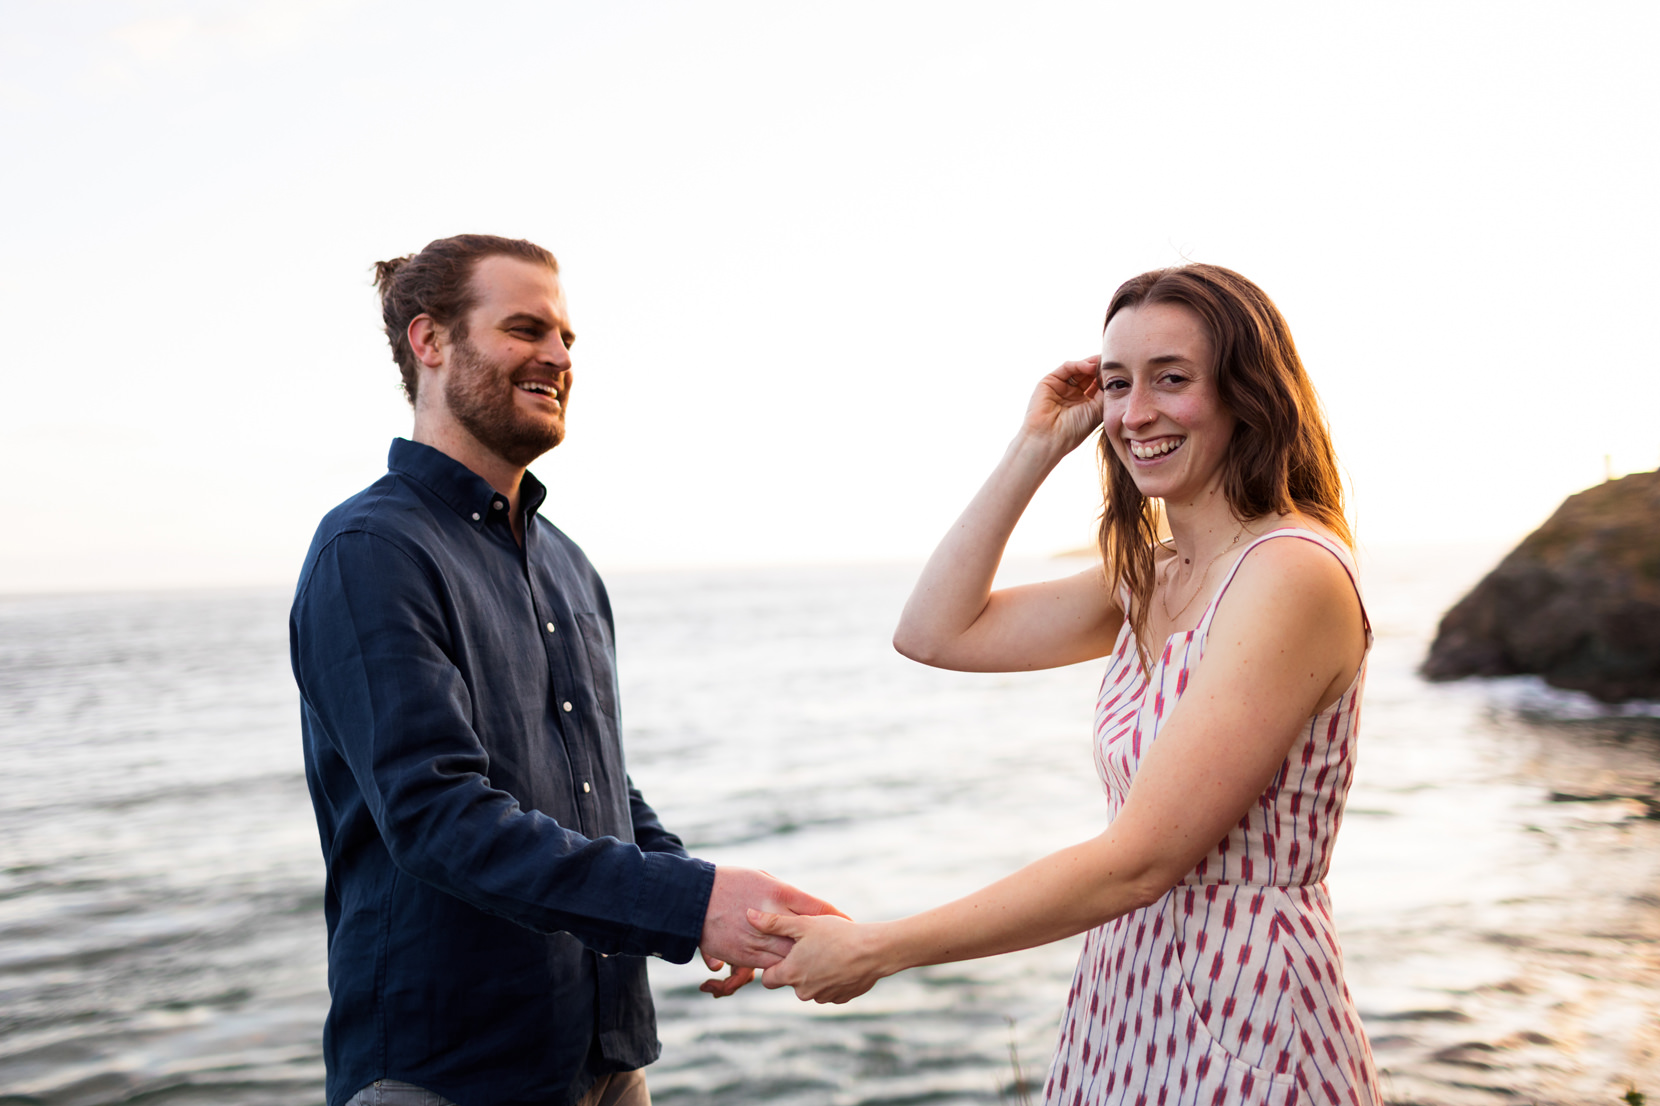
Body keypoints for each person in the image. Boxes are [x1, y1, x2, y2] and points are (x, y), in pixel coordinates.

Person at [752, 264, 1382, 1103]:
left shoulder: (1289, 574)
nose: (1134, 413)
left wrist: (881, 946)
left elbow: (1141, 860)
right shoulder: (1153, 575)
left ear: (1248, 392)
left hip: (1247, 1004)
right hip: (1132, 996)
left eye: (1171, 379)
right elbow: (934, 633)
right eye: (1118, 383)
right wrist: (1038, 445)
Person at [289, 234, 840, 1106]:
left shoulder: (568, 564)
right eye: (525, 328)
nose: (557, 355)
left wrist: (727, 912)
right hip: (446, 1073)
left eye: (566, 338)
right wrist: (691, 901)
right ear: (429, 342)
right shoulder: (372, 550)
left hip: (607, 1061)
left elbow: (601, 787)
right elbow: (438, 818)